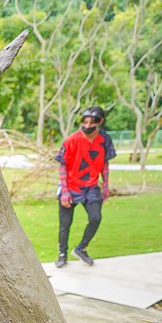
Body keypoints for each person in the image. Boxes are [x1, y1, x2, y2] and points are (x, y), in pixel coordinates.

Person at [54, 106, 116, 268]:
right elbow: (63, 166)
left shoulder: (105, 139)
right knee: (65, 223)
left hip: (91, 187)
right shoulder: (71, 139)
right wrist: (65, 191)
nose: (87, 125)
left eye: (91, 122)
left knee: (96, 218)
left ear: (100, 122)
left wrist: (106, 186)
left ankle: (81, 248)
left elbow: (104, 164)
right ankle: (62, 254)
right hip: (71, 186)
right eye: (84, 121)